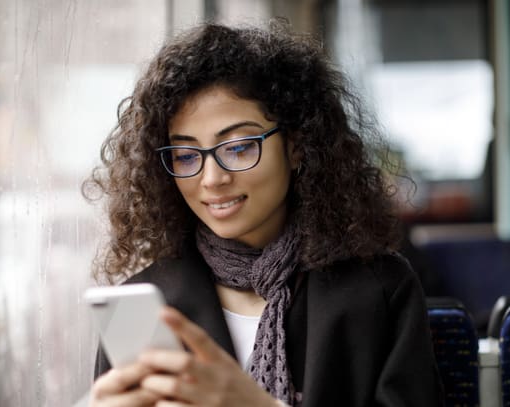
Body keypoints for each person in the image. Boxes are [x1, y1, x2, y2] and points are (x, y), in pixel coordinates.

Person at [84, 19, 442, 407]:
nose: (212, 178)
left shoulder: (379, 289)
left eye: (238, 147)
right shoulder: (142, 308)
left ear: (296, 146)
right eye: (186, 156)